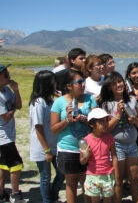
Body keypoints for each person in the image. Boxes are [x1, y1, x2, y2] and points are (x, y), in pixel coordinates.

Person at [51, 70, 97, 203]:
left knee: (87, 183)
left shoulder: (90, 99)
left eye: (83, 82)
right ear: (69, 86)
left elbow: (97, 123)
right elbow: (54, 129)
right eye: (79, 82)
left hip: (87, 147)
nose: (83, 85)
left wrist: (83, 118)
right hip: (68, 149)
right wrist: (67, 120)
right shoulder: (59, 102)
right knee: (71, 184)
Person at [98, 71, 138, 203]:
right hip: (116, 146)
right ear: (109, 87)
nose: (119, 84)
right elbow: (106, 129)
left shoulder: (133, 100)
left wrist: (135, 121)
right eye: (114, 83)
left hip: (132, 144)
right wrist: (118, 113)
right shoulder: (106, 104)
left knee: (135, 178)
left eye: (120, 81)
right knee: (118, 180)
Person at [29, 70, 65, 203]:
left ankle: (53, 195)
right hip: (43, 147)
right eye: (53, 81)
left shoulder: (49, 100)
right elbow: (38, 128)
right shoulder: (38, 103)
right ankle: (47, 200)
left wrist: (58, 95)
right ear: (46, 83)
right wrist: (47, 150)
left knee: (61, 173)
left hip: (53, 144)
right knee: (45, 176)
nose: (55, 83)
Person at [80, 108, 120, 203]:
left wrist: (117, 175)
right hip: (92, 176)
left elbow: (114, 156)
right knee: (95, 200)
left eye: (106, 121)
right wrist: (85, 156)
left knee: (108, 199)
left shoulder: (110, 138)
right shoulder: (85, 140)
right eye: (102, 121)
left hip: (108, 175)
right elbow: (82, 161)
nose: (106, 123)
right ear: (92, 124)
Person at [0, 64, 25, 203]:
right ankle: (15, 193)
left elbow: (19, 105)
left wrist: (15, 90)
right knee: (16, 164)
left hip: (9, 134)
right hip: (3, 137)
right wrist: (14, 108)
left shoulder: (7, 90)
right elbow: (6, 116)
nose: (8, 76)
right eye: (5, 74)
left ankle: (1, 193)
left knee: (3, 166)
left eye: (8, 73)